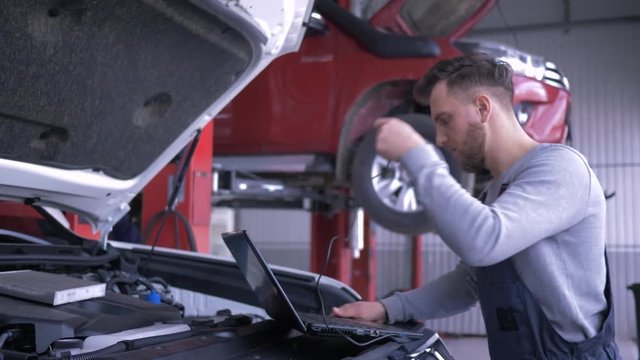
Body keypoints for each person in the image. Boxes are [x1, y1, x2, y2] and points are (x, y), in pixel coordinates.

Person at [332, 53, 621, 359]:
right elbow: (470, 281)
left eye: (445, 120)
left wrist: (416, 153)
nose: (440, 139)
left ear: (483, 108)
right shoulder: (496, 192)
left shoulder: (561, 168)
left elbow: (483, 241)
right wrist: (388, 308)